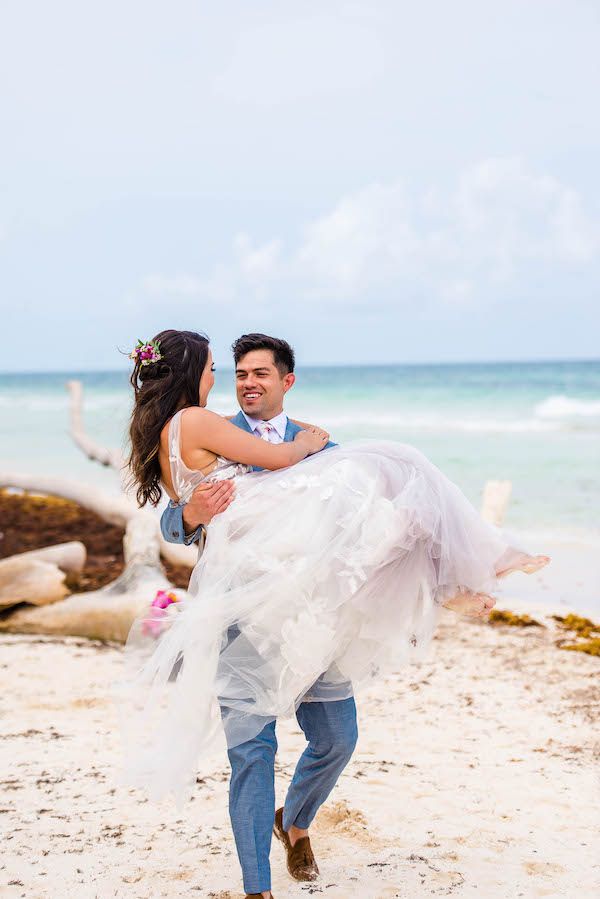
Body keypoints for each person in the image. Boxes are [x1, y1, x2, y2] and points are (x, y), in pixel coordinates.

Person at [122, 329, 549, 899]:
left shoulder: (316, 444)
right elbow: (176, 518)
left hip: (313, 614)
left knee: (337, 739)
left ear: (285, 381)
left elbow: (353, 529)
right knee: (251, 753)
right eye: (234, 373)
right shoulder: (213, 426)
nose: (244, 383)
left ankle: (293, 821)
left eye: (258, 374)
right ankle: (257, 888)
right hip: (242, 610)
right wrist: (192, 514)